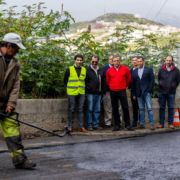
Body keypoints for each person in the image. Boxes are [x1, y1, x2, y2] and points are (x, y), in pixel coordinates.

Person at [0, 33, 36, 169]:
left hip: (5, 105)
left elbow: (16, 85)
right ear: (9, 46)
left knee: (13, 133)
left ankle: (20, 160)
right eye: (16, 48)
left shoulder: (15, 63)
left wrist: (11, 103)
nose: (18, 50)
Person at [106, 54, 134, 131]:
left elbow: (129, 79)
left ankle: (127, 125)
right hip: (113, 91)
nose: (116, 62)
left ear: (120, 60)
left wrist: (124, 85)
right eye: (114, 61)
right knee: (115, 108)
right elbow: (108, 81)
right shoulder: (109, 70)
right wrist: (112, 86)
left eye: (117, 60)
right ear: (112, 61)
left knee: (125, 107)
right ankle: (117, 125)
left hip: (122, 90)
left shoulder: (125, 69)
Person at [64, 54, 87, 132]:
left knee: (80, 109)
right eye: (78, 60)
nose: (79, 62)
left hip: (81, 92)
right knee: (72, 109)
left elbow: (85, 81)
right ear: (75, 60)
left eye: (81, 60)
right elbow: (65, 81)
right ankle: (70, 126)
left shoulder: (84, 70)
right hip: (72, 92)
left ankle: (81, 127)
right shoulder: (69, 69)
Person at [131, 56, 155, 130]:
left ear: (143, 61)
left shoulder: (149, 69)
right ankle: (142, 123)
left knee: (149, 108)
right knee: (141, 108)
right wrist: (134, 94)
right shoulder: (134, 71)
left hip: (147, 92)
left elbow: (152, 80)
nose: (139, 63)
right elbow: (133, 83)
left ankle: (151, 123)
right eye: (137, 61)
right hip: (138, 93)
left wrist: (149, 90)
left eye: (140, 61)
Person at [157, 55, 180, 129]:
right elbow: (159, 78)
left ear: (172, 61)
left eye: (170, 60)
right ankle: (161, 123)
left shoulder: (176, 70)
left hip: (171, 92)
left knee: (171, 107)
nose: (168, 62)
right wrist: (161, 84)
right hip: (162, 91)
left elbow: (177, 80)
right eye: (167, 60)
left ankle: (170, 123)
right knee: (162, 107)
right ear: (165, 61)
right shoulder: (161, 69)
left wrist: (173, 86)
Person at [85, 54, 106, 131]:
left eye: (96, 62)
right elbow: (85, 81)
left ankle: (96, 124)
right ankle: (89, 125)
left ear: (98, 61)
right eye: (93, 62)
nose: (94, 63)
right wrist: (88, 87)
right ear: (91, 61)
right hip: (90, 93)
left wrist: (103, 91)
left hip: (99, 93)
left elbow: (103, 81)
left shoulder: (101, 70)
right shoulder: (86, 69)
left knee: (97, 110)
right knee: (89, 109)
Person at [102, 55, 122, 128]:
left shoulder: (120, 68)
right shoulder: (104, 68)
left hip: (118, 90)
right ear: (109, 60)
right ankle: (108, 122)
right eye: (110, 59)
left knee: (119, 107)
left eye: (112, 59)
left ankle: (119, 122)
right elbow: (103, 80)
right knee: (108, 107)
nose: (111, 61)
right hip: (108, 91)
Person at [128, 56, 139, 127]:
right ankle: (135, 122)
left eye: (136, 60)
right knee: (134, 108)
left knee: (140, 107)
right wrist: (129, 87)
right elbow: (128, 80)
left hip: (140, 91)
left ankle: (141, 121)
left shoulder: (140, 69)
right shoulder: (130, 70)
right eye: (133, 60)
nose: (134, 61)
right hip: (133, 92)